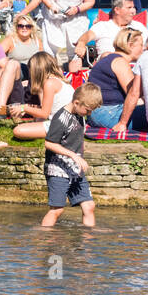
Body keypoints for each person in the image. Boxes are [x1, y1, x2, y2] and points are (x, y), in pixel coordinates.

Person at [41, 83, 103, 228]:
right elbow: (49, 144)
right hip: (58, 170)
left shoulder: (79, 114)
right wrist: (74, 156)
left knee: (89, 206)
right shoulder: (61, 118)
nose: (89, 114)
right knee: (57, 210)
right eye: (88, 110)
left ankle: (87, 243)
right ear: (76, 103)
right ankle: (43, 238)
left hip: (75, 169)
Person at [85, 28, 147, 133]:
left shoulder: (110, 58)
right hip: (108, 114)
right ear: (130, 45)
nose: (143, 48)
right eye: (141, 45)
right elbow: (133, 95)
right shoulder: (120, 62)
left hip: (97, 113)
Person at [8, 52, 74, 140]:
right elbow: (49, 108)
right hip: (72, 123)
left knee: (18, 130)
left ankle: (58, 134)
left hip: (64, 125)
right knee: (33, 123)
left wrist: (24, 108)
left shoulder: (49, 84)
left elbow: (44, 114)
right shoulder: (58, 81)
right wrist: (28, 108)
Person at [72, 0, 148, 70]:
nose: (133, 11)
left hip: (135, 67)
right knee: (106, 55)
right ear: (117, 10)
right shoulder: (103, 26)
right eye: (129, 8)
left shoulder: (138, 26)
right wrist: (81, 43)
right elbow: (87, 35)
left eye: (133, 7)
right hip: (108, 69)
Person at [0, 14, 43, 106]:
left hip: (33, 73)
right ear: (16, 27)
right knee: (13, 64)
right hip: (15, 71)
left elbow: (42, 61)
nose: (24, 28)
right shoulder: (11, 40)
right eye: (21, 26)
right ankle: (1, 107)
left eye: (28, 26)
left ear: (32, 28)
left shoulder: (37, 41)